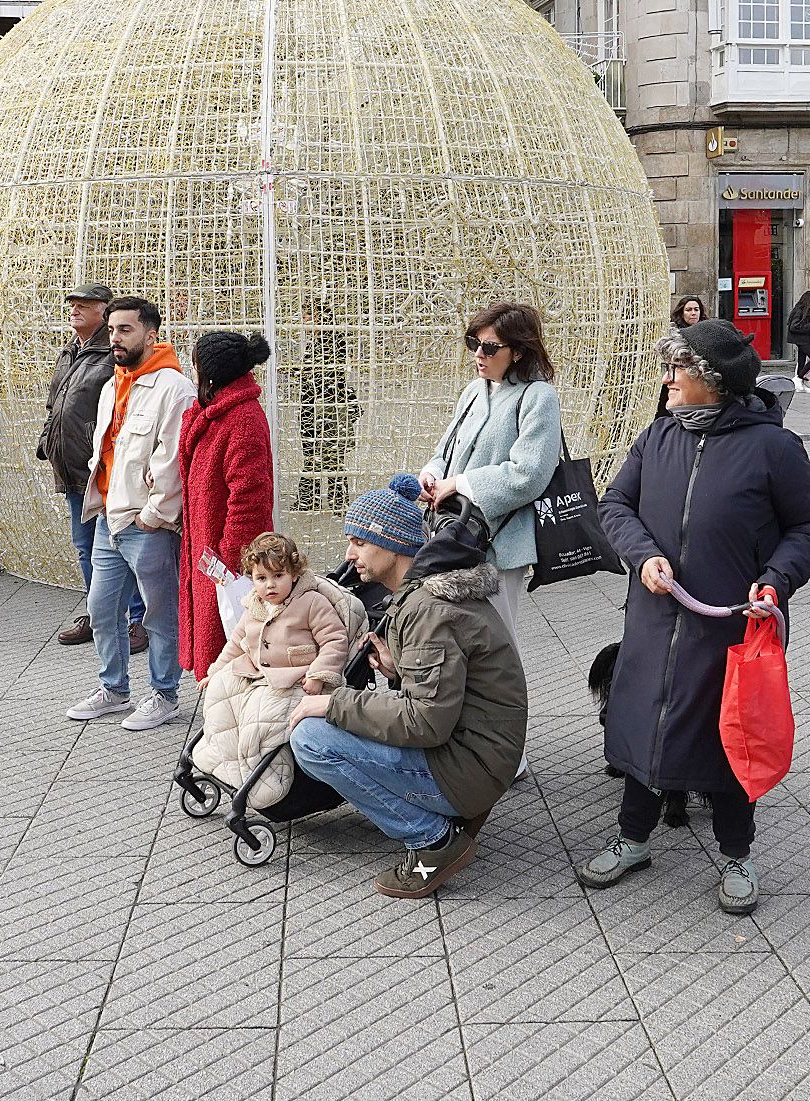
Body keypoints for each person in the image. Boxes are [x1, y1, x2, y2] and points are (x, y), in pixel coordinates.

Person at [584, 320, 810, 914]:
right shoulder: (657, 435)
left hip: (733, 625)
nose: (667, 380)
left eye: (679, 369)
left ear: (715, 381)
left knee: (730, 736)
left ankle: (737, 854)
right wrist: (643, 555)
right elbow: (615, 504)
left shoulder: (774, 447)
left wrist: (775, 581)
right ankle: (633, 838)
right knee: (647, 720)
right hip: (654, 617)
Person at [288, 479, 528, 899]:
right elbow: (447, 694)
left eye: (358, 542)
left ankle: (433, 840)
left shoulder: (428, 609)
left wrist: (333, 702)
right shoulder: (429, 595)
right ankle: (449, 814)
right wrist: (398, 672)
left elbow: (425, 723)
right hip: (478, 754)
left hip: (471, 767)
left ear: (392, 543)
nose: (349, 555)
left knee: (311, 739)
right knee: (328, 723)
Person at [66, 296, 196, 730]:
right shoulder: (112, 384)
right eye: (112, 329)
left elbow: (173, 461)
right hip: (109, 516)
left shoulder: (173, 388)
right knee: (102, 608)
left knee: (159, 614)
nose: (115, 338)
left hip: (146, 523)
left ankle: (165, 694)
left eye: (126, 329)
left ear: (151, 334)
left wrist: (154, 515)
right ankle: (115, 689)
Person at [419, 301, 564, 630]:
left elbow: (528, 473)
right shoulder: (473, 390)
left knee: (496, 639)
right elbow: (447, 448)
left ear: (517, 351)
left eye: (489, 347)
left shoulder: (538, 396)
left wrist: (458, 484)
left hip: (499, 540)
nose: (478, 354)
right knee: (457, 636)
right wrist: (432, 475)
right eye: (474, 344)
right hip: (453, 530)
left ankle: (506, 686)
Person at [188, 532, 358, 803]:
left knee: (259, 723)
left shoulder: (311, 602)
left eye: (278, 576)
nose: (270, 585)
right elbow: (236, 642)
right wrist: (215, 671)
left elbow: (335, 640)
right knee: (219, 696)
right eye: (261, 578)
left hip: (293, 679)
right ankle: (220, 759)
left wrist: (318, 675)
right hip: (255, 672)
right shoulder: (254, 605)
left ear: (294, 573)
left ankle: (261, 783)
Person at [41, 284, 140, 650]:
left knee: (119, 545)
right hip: (69, 465)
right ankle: (98, 613)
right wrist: (46, 440)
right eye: (72, 304)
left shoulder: (113, 352)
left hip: (100, 466)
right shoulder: (71, 351)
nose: (75, 309)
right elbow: (55, 401)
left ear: (105, 312)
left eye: (84, 305)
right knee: (85, 547)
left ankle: (135, 619)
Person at [178, 330, 276, 680]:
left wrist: (229, 556)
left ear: (212, 373)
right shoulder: (214, 413)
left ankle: (228, 714)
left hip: (223, 562)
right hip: (208, 550)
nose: (193, 374)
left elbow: (250, 495)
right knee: (218, 640)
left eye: (196, 367)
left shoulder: (242, 418)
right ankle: (218, 708)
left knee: (230, 641)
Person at [290, 296, 363, 512]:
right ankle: (321, 500)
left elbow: (328, 374)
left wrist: (301, 373)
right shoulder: (322, 341)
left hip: (327, 407)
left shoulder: (332, 340)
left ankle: (322, 500)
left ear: (320, 317)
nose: (304, 322)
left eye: (307, 317)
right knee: (318, 452)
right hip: (316, 406)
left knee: (327, 452)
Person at [785, 289, 810, 393]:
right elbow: (794, 326)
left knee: (801, 361)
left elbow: (809, 324)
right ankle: (799, 378)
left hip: (806, 338)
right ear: (808, 301)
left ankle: (799, 383)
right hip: (801, 339)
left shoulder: (809, 310)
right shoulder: (800, 310)